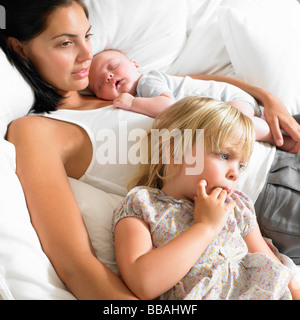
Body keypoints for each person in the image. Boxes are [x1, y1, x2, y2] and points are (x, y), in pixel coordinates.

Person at [0, 0, 299, 300]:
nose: (87, 54)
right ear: (21, 49)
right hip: (263, 195)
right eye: (66, 43)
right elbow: (75, 263)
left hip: (277, 136)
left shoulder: (107, 84)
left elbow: (190, 82)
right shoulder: (38, 132)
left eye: (88, 36)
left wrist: (265, 98)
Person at [112, 96, 300, 300]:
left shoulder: (235, 206)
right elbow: (143, 284)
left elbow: (275, 270)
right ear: (176, 150)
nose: (235, 173)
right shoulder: (142, 205)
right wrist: (206, 227)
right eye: (225, 156)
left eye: (241, 165)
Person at [88, 49, 296, 151]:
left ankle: (278, 137)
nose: (108, 76)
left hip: (229, 98)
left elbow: (166, 107)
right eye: (99, 84)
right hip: (225, 102)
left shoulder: (148, 82)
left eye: (113, 66)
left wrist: (131, 103)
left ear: (135, 64)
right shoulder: (145, 90)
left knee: (232, 125)